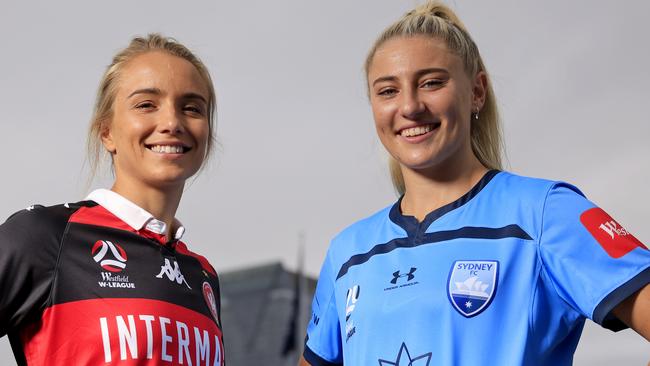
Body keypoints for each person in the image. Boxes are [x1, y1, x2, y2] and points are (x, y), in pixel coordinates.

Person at [300, 2, 649, 365]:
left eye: (431, 83)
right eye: (387, 90)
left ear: (477, 91)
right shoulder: (348, 253)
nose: (410, 106)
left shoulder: (544, 213)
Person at [0, 34, 225, 365]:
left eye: (191, 108)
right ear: (107, 132)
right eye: (146, 104)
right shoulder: (46, 237)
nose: (172, 123)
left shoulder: (203, 274)